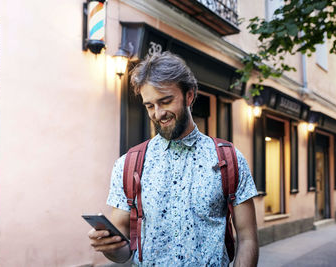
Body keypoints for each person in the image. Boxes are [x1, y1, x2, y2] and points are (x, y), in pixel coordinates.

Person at [88, 52, 259, 266]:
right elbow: (124, 252)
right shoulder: (128, 164)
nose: (158, 113)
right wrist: (110, 247)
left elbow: (247, 238)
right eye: (150, 105)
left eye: (166, 101)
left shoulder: (229, 158)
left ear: (189, 96)